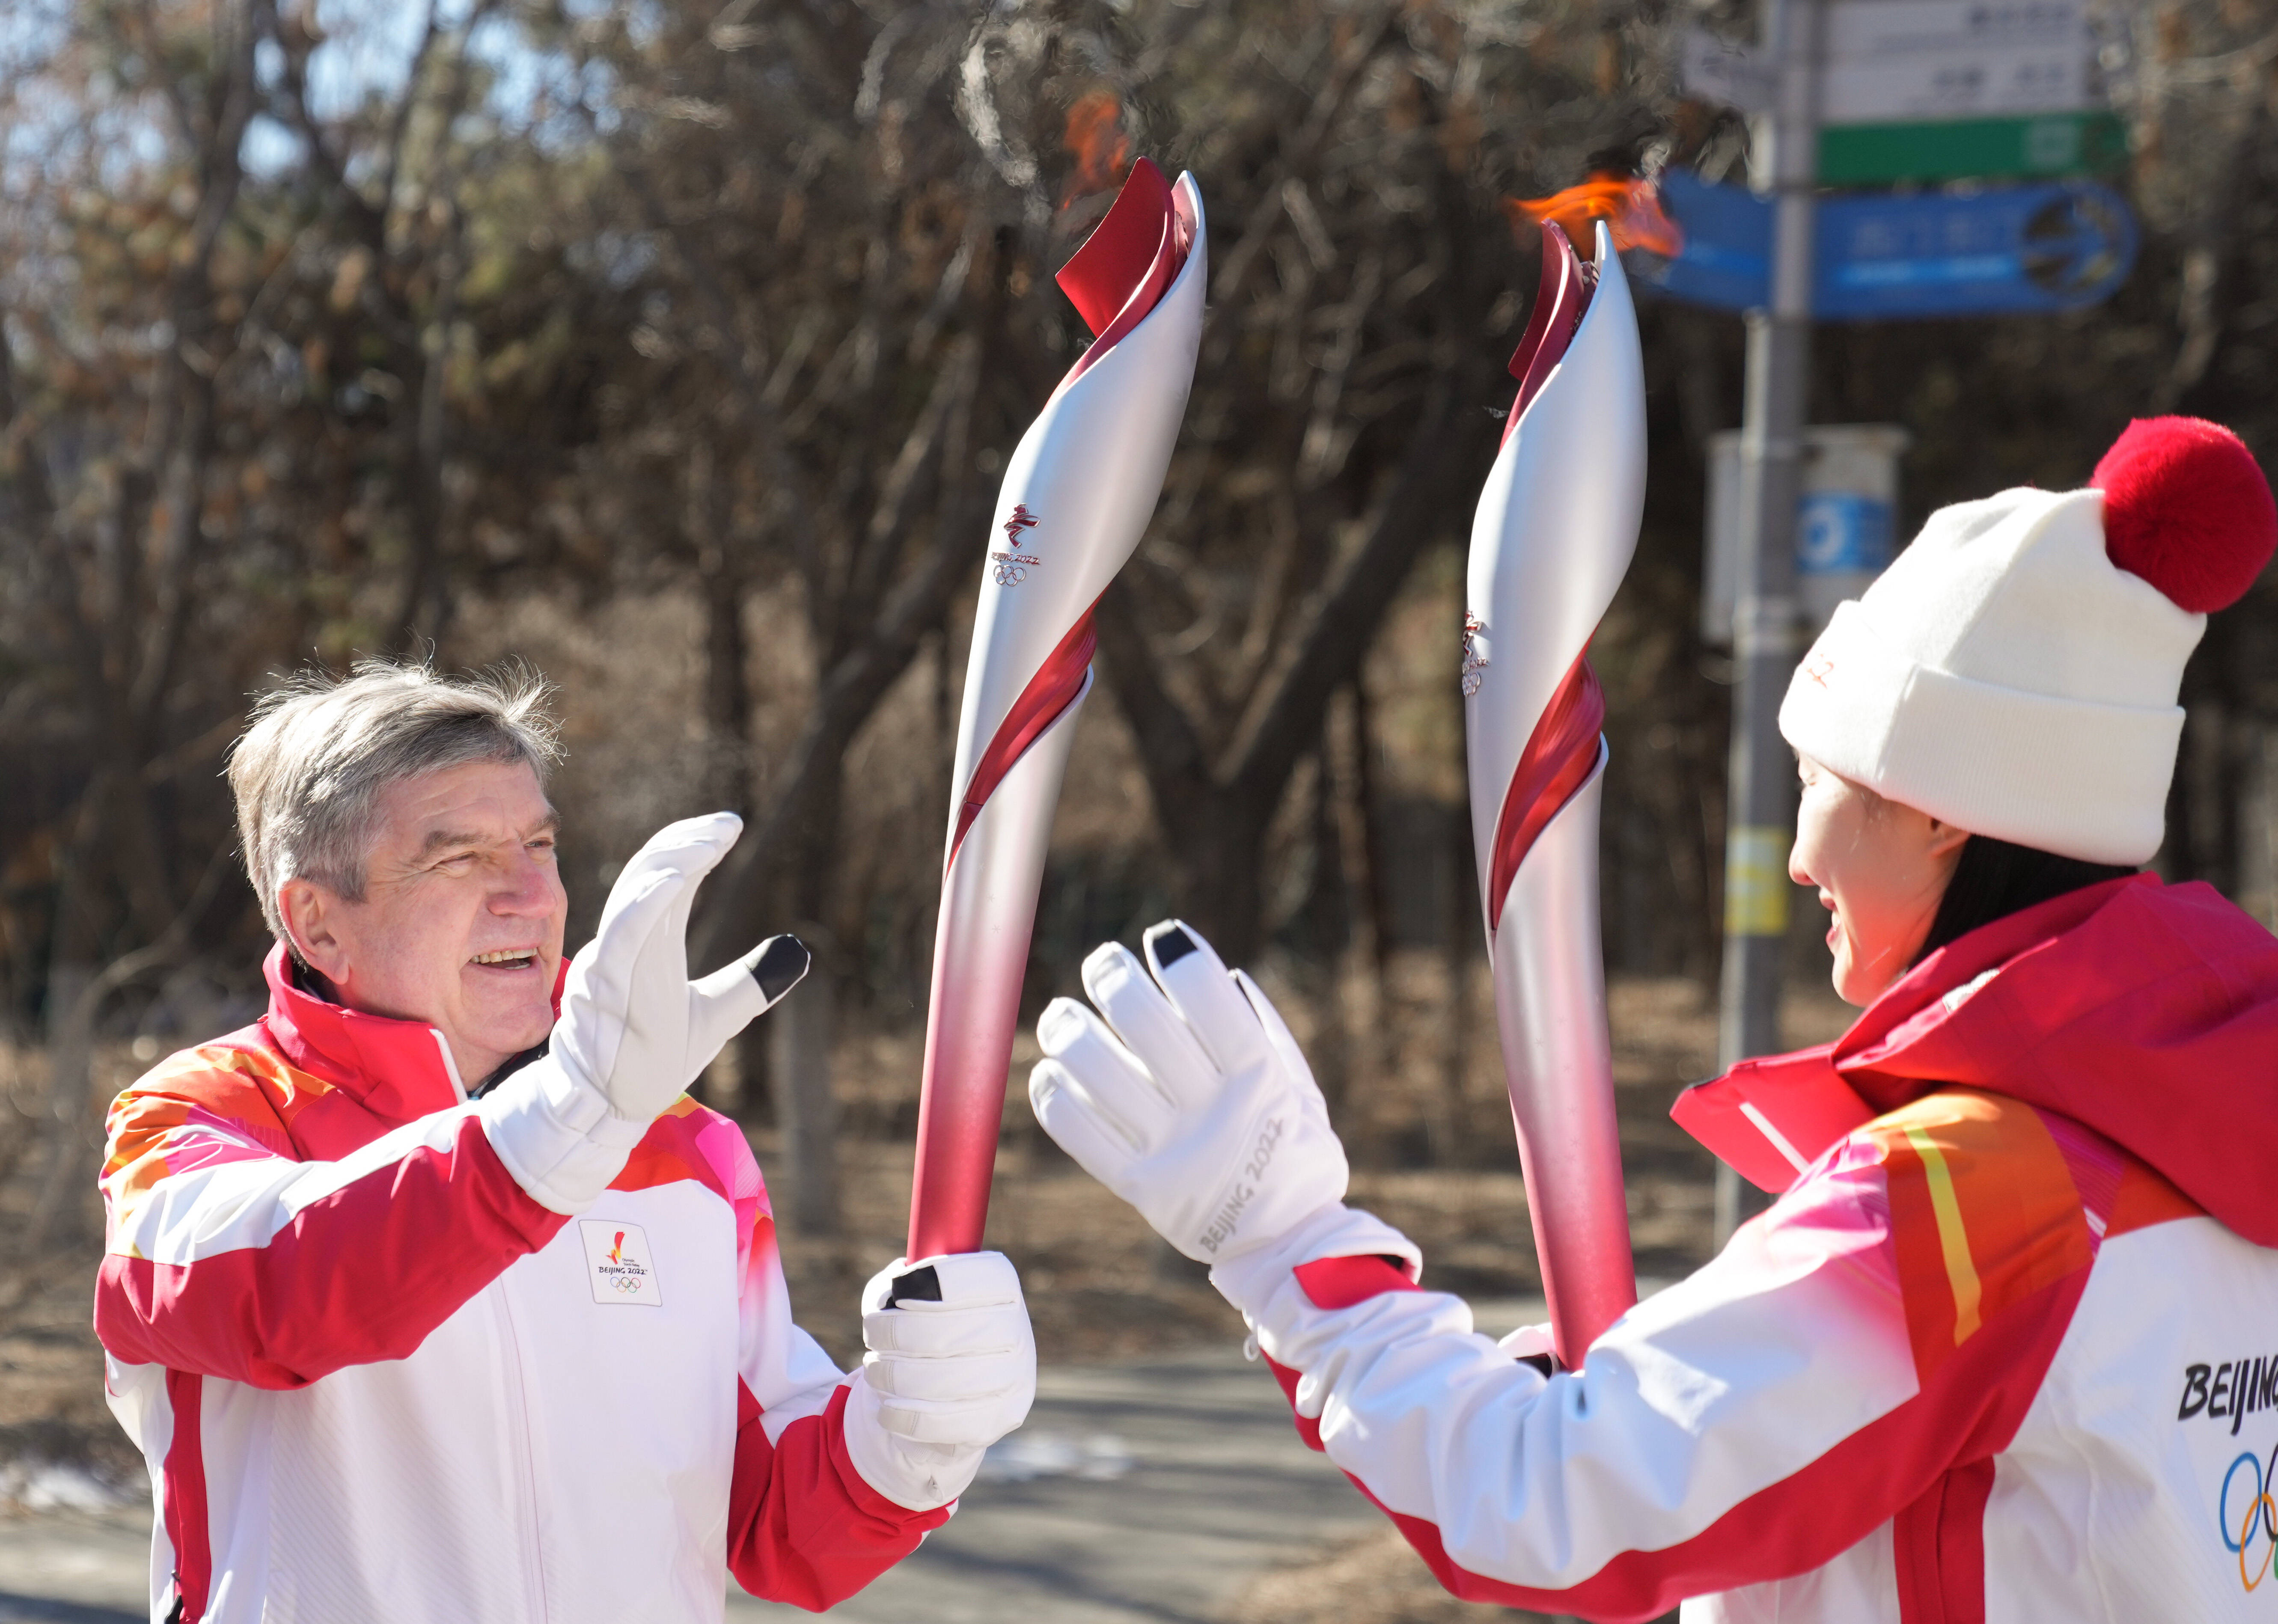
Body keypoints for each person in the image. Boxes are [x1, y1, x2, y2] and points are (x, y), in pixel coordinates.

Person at [1026, 416, 2278, 1621]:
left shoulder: (1988, 1198)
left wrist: (1282, 1236)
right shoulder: (2215, 1157)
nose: (1797, 857)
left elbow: (1550, 1499)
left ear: (1940, 807)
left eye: (1816, 783)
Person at [95, 662, 1035, 1624]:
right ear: (318, 921)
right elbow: (270, 1295)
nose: (530, 897)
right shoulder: (203, 1114)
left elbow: (772, 1525)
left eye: (539, 845)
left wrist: (909, 1438)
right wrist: (552, 1130)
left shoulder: (684, 1148)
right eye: (459, 857)